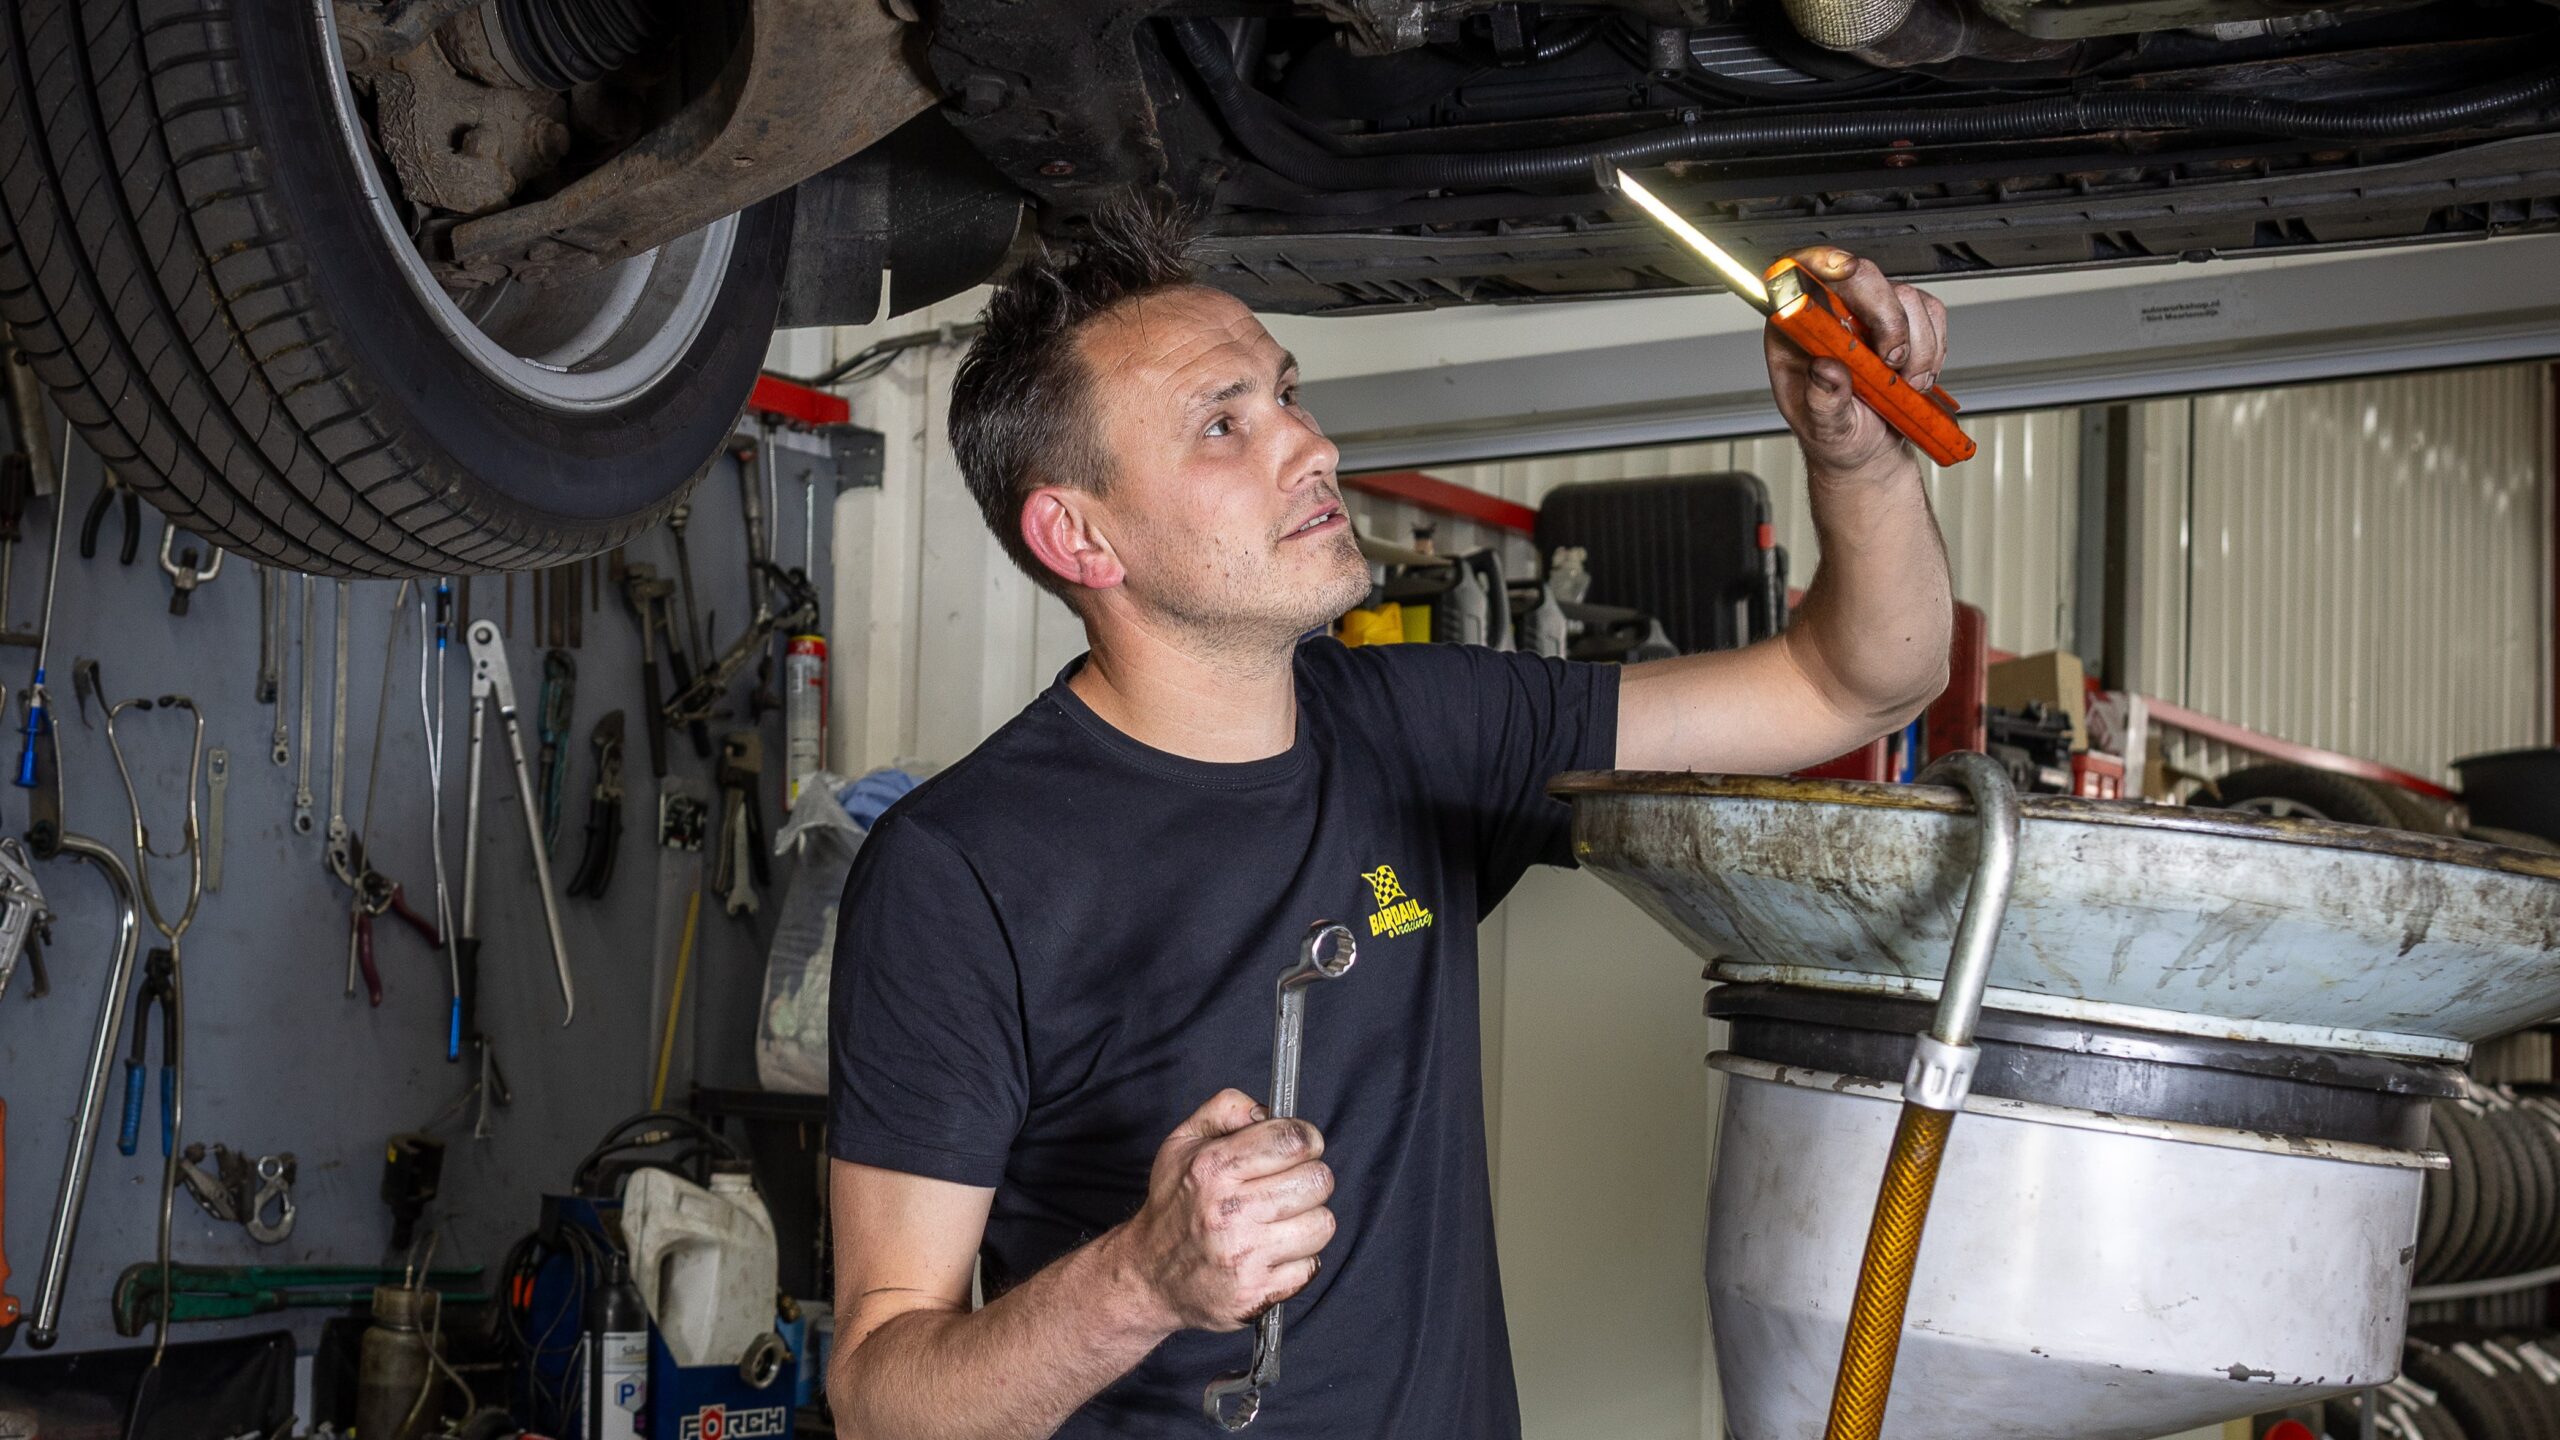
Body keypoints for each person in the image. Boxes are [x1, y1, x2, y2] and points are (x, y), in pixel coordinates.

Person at [825, 199, 1954, 1439]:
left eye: (1286, 393)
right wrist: (1141, 1281)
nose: (1308, 445)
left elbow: (1856, 678)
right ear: (1078, 535)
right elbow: (884, 1396)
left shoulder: (1420, 729)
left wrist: (1855, 454)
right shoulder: (959, 870)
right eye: (1224, 424)